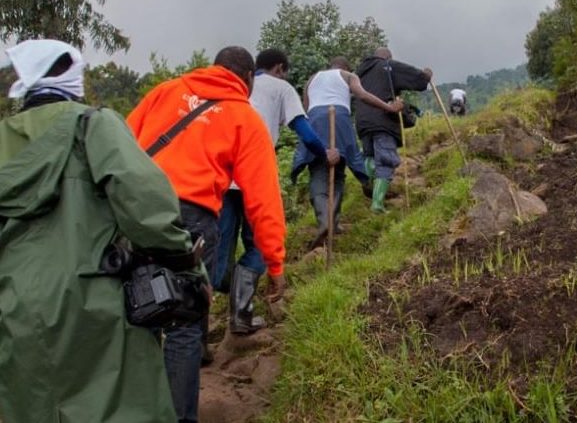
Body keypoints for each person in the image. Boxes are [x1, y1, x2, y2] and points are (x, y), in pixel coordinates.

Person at [0, 39, 205, 422]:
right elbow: (145, 206)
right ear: (72, 73)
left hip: (13, 306)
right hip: (95, 300)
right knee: (120, 406)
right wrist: (187, 263)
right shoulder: (93, 125)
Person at [127, 46, 286, 423]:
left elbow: (120, 143)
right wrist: (275, 262)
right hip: (190, 217)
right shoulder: (244, 118)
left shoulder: (165, 91)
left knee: (137, 310)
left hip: (134, 209)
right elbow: (263, 199)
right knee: (183, 322)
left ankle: (136, 409)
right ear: (247, 80)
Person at [215, 48, 339, 332]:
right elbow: (305, 132)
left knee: (217, 252)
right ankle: (240, 316)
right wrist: (324, 154)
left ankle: (197, 335)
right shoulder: (281, 88)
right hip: (253, 177)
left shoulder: (232, 85)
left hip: (218, 177)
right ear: (280, 68)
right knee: (259, 245)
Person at [292, 56, 403, 247]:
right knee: (339, 172)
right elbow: (362, 95)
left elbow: (305, 108)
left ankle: (324, 221)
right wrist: (389, 107)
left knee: (318, 170)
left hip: (315, 120)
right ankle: (333, 222)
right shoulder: (348, 75)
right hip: (340, 119)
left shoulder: (312, 78)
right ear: (345, 67)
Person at [354, 47, 432, 213]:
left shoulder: (358, 73)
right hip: (383, 120)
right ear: (387, 57)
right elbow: (416, 79)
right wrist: (425, 76)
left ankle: (368, 183)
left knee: (368, 154)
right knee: (386, 160)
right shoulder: (387, 66)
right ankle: (377, 204)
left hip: (362, 121)